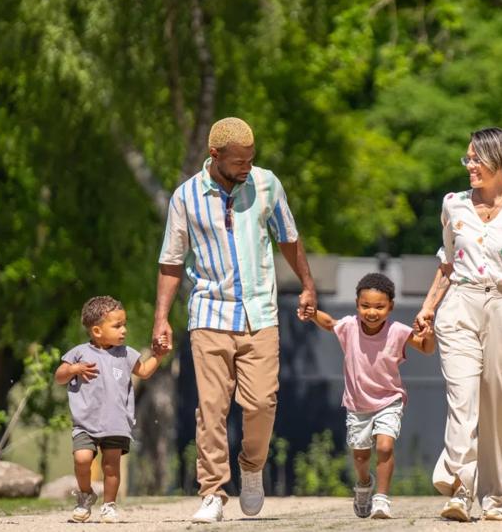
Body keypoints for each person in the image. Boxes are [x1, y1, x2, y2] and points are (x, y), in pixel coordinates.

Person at [152, 117, 318, 523]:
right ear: (215, 155)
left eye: (251, 158)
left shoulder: (266, 185)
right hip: (209, 312)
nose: (247, 166)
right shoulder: (186, 197)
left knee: (261, 402)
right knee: (211, 407)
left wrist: (308, 286)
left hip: (260, 312)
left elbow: (288, 239)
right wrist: (161, 318)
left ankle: (251, 466)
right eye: (239, 160)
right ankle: (212, 491)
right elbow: (171, 263)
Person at [415, 127, 502, 522]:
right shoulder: (453, 204)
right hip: (459, 304)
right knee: (463, 400)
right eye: (468, 159)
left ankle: (497, 499)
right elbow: (446, 264)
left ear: (500, 161)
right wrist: (428, 309)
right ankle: (460, 489)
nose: (469, 166)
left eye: (476, 159)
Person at [301, 273, 436, 519]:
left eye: (379, 306)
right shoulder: (350, 327)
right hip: (358, 404)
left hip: (389, 400)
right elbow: (330, 323)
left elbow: (427, 349)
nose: (371, 312)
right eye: (365, 306)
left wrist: (429, 332)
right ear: (356, 304)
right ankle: (364, 485)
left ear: (391, 307)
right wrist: (312, 314)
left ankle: (382, 499)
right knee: (361, 456)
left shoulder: (398, 331)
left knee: (385, 447)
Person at [55, 295, 166, 523]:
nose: (123, 330)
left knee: (111, 466)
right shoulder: (79, 353)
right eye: (117, 326)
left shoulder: (126, 353)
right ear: (96, 331)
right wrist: (74, 369)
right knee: (83, 459)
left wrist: (159, 355)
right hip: (85, 423)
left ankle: (109, 505)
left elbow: (144, 371)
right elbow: (59, 377)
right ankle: (85, 496)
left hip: (116, 422)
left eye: (124, 324)